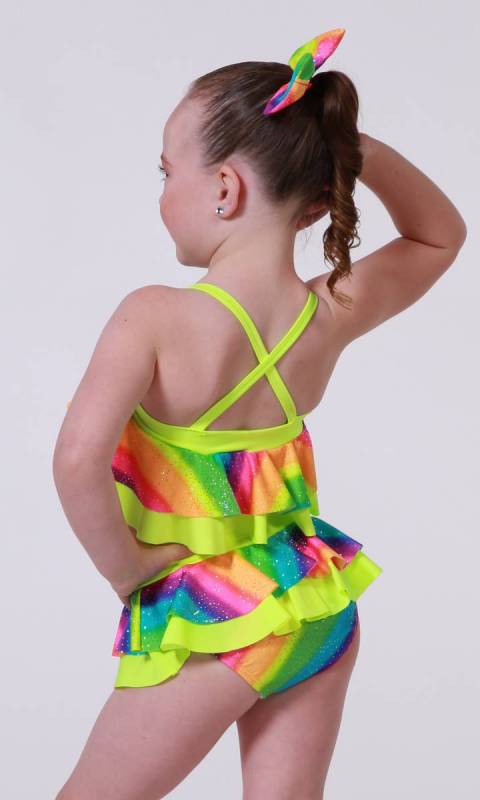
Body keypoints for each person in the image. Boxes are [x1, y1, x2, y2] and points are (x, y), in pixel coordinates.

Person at [52, 29, 467, 800]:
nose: (161, 192)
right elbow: (440, 236)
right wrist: (349, 147)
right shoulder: (327, 316)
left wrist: (129, 569)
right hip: (314, 604)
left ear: (224, 189)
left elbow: (78, 458)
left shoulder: (153, 316)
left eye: (166, 171)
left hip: (216, 618)